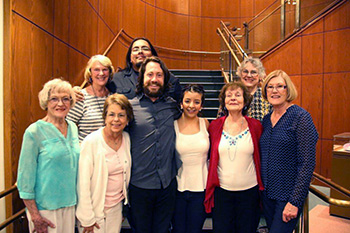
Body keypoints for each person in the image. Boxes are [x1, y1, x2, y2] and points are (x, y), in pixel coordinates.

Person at [17, 78, 79, 233]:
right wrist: (35, 215)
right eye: (54, 99)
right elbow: (25, 180)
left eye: (66, 99)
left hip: (70, 205)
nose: (60, 104)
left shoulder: (72, 127)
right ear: (46, 102)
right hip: (45, 209)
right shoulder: (34, 132)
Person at [127, 56, 181, 233]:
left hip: (167, 185)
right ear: (142, 78)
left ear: (164, 79)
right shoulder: (129, 107)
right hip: (139, 186)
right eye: (150, 74)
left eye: (159, 75)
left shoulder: (173, 107)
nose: (154, 79)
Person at [260, 70, 318, 233]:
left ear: (288, 89)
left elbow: (307, 163)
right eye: (270, 87)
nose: (274, 90)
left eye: (280, 86)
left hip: (288, 196)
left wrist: (295, 201)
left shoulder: (300, 117)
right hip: (268, 196)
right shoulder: (266, 119)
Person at [204, 81, 264, 233]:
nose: (233, 98)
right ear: (224, 101)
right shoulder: (214, 126)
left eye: (238, 95)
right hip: (222, 193)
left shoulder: (256, 126)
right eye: (228, 95)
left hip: (249, 193)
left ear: (245, 101)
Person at [76, 93, 133, 233]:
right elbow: (82, 184)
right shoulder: (91, 142)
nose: (116, 120)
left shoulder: (126, 138)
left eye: (121, 115)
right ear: (105, 117)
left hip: (116, 209)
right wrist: (87, 218)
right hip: (94, 212)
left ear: (127, 119)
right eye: (111, 114)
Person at [172, 84, 210, 233]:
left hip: (201, 188)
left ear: (201, 105)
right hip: (177, 189)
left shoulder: (205, 124)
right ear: (181, 103)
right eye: (187, 101)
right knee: (178, 230)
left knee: (195, 229)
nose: (191, 106)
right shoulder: (172, 125)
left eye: (196, 102)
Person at [106, 37, 182, 102]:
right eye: (135, 49)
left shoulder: (171, 80)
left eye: (145, 48)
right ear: (130, 57)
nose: (140, 52)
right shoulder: (117, 79)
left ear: (153, 55)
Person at [67, 55, 114, 142]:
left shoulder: (112, 97)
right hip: (86, 151)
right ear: (90, 73)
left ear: (109, 72)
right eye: (96, 70)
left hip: (107, 151)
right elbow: (67, 126)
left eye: (105, 69)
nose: (101, 73)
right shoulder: (81, 97)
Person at [237, 57, 272, 121]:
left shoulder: (267, 96)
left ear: (260, 76)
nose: (249, 75)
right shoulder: (232, 95)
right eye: (245, 71)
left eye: (253, 72)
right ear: (240, 74)